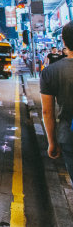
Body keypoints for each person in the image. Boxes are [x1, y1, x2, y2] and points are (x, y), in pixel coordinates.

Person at [41, 22, 73, 178]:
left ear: (64, 42)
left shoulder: (50, 72)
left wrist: (52, 142)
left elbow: (47, 112)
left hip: (69, 136)